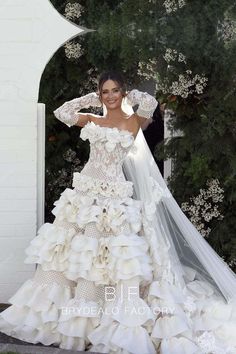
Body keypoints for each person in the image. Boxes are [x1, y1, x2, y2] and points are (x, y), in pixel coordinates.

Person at [0, 70, 236, 354]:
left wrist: (135, 96)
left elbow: (149, 105)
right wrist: (90, 97)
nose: (110, 96)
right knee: (70, 258)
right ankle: (70, 321)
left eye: (115, 90)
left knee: (109, 264)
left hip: (113, 199)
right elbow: (62, 112)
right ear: (100, 95)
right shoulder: (93, 120)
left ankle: (105, 314)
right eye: (105, 91)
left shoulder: (132, 122)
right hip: (85, 197)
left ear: (122, 92)